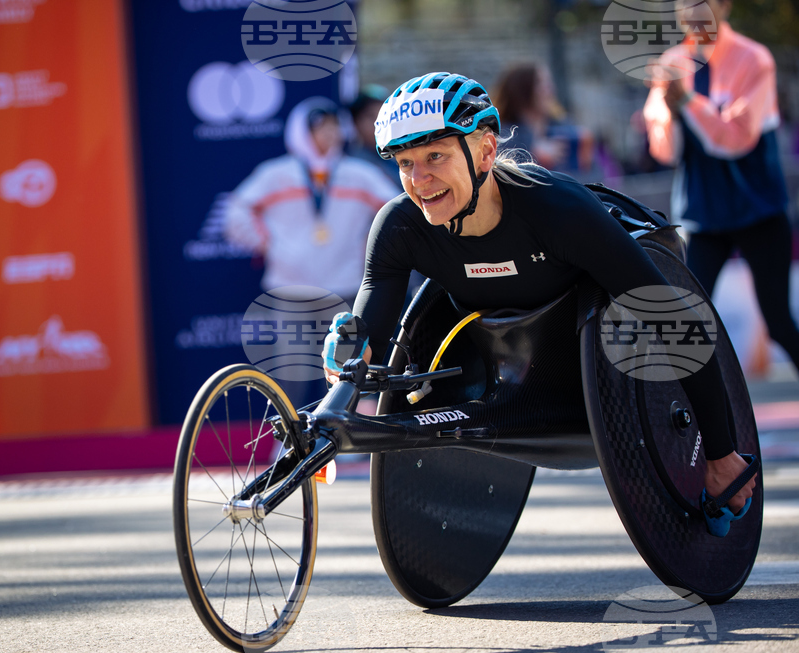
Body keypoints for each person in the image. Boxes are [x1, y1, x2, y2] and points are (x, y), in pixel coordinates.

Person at [323, 72, 755, 521]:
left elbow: (675, 323)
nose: (420, 180)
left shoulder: (557, 210)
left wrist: (721, 455)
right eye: (405, 163)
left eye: (435, 156)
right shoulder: (399, 227)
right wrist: (345, 364)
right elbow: (368, 326)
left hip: (609, 364)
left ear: (486, 151)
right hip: (506, 378)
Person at [642, 0, 799, 375]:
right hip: (703, 215)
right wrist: (672, 108)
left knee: (778, 321)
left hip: (758, 210)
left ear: (724, 6)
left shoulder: (753, 59)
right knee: (686, 325)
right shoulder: (673, 62)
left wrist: (688, 103)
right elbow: (665, 148)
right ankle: (686, 418)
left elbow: (735, 138)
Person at [225, 97, 400, 305]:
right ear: (300, 131)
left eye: (334, 125)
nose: (330, 133)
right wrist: (268, 244)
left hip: (347, 285)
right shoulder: (276, 174)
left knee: (347, 339)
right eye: (320, 127)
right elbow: (236, 211)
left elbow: (397, 210)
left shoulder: (360, 174)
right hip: (289, 288)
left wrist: (371, 249)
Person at [493, 63, 593, 174]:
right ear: (522, 90)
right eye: (540, 83)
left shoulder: (564, 127)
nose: (549, 89)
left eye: (549, 83)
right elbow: (498, 173)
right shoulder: (504, 136)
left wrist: (586, 153)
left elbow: (596, 175)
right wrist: (534, 155)